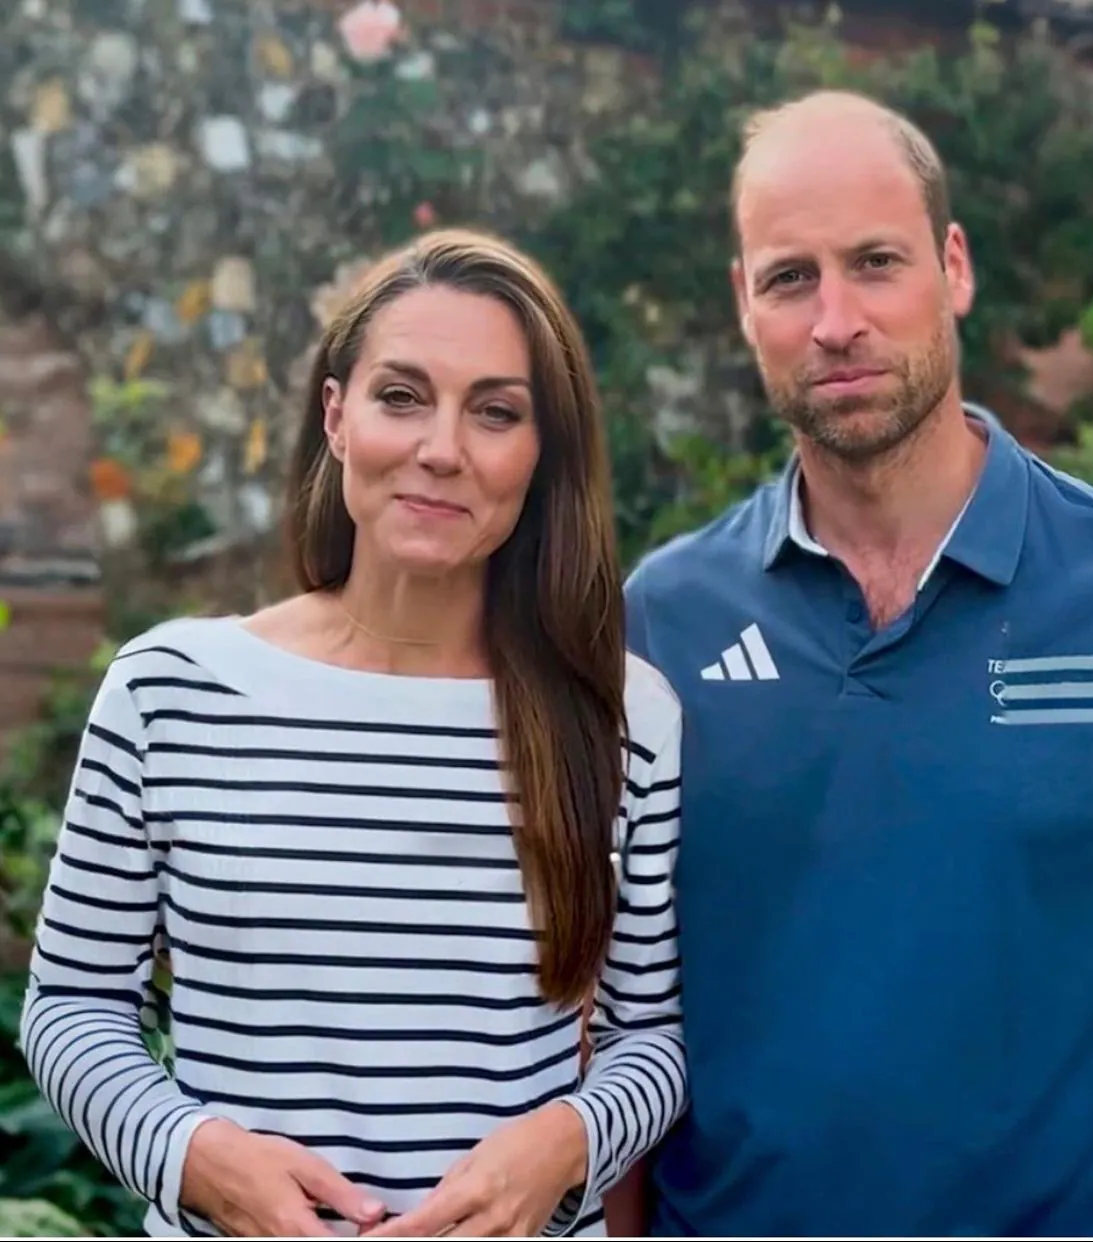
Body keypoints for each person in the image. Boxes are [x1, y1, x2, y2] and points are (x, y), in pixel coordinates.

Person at [621, 89, 1093, 1237]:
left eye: (875, 262)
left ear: (952, 267)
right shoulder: (660, 622)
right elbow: (606, 1009)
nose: (837, 319)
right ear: (742, 304)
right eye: (790, 277)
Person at [19, 228, 686, 1239]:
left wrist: (564, 1145)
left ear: (541, 454)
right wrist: (199, 1161)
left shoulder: (623, 718)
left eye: (496, 412)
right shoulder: (170, 693)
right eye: (401, 396)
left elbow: (652, 1038)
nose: (441, 449)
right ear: (337, 415)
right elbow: (69, 1007)